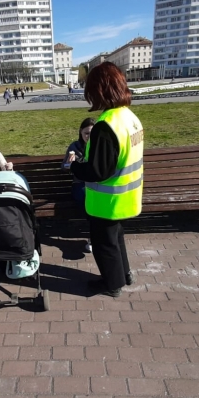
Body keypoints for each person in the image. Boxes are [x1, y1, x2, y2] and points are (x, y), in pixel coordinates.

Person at [70, 62, 143, 298]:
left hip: (107, 200)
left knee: (104, 244)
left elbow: (98, 171)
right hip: (127, 195)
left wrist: (75, 167)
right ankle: (125, 274)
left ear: (100, 90)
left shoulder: (105, 125)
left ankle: (112, 284)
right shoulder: (129, 117)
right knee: (116, 238)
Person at [63, 117, 95, 253]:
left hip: (95, 183)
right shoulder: (74, 147)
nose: (89, 136)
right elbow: (64, 166)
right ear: (81, 133)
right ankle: (92, 235)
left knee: (95, 199)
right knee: (86, 197)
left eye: (92, 133)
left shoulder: (99, 146)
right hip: (80, 184)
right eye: (86, 133)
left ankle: (93, 235)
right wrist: (69, 164)